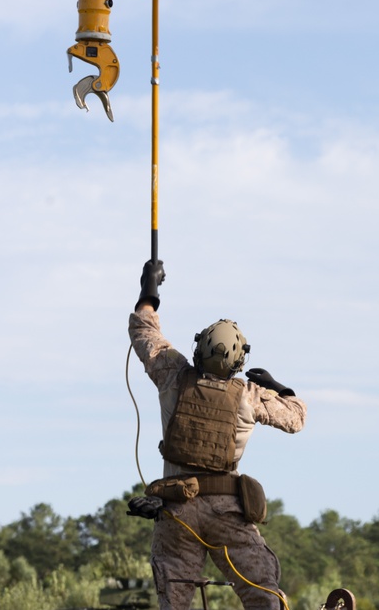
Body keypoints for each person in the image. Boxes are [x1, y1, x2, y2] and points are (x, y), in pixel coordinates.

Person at [127, 259, 306, 610]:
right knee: (264, 595)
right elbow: (296, 418)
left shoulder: (173, 375)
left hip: (176, 510)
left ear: (198, 349)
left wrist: (149, 290)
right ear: (240, 361)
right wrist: (280, 387)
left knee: (174, 599)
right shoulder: (248, 395)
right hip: (227, 513)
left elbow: (143, 332)